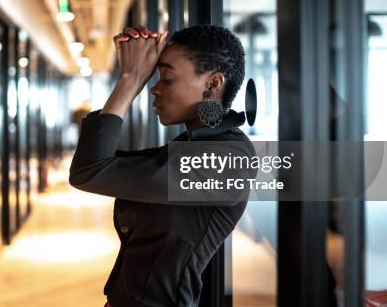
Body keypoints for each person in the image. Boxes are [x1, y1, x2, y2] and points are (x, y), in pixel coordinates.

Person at [69, 24, 256, 306]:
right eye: (155, 77)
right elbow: (99, 165)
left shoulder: (227, 159)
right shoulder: (192, 145)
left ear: (213, 84)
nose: (154, 88)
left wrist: (131, 80)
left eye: (166, 78)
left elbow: (90, 171)